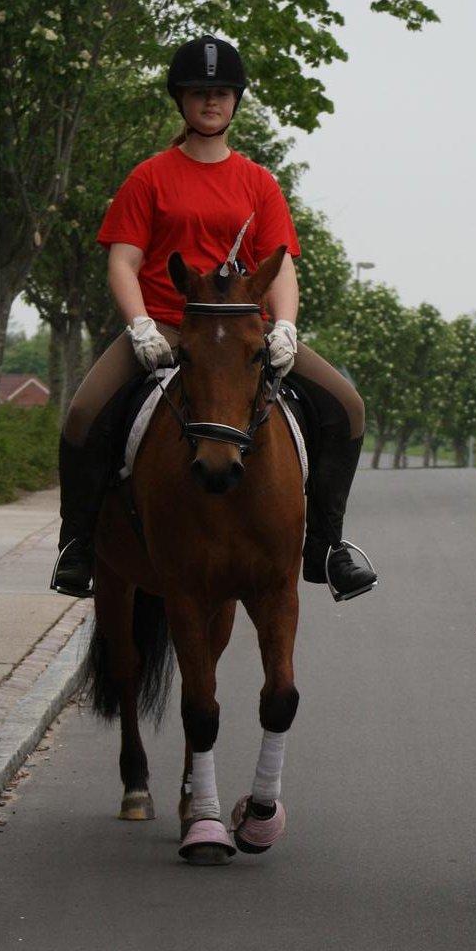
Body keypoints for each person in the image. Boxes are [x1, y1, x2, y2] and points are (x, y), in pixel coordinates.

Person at [50, 34, 377, 605]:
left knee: (347, 406)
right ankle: (76, 545)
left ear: (235, 101)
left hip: (246, 333)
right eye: (200, 93)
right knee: (82, 414)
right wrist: (140, 326)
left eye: (221, 93)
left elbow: (281, 267)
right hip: (169, 329)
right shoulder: (149, 177)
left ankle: (328, 544)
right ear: (181, 100)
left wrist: (285, 327)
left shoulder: (258, 182)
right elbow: (123, 261)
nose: (211, 102)